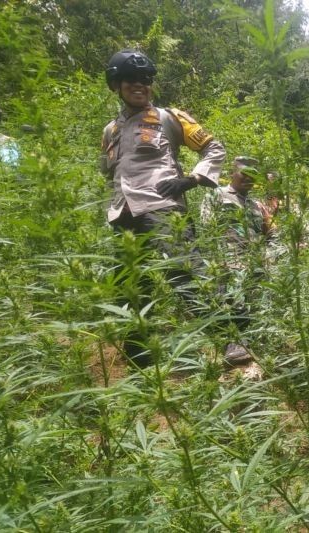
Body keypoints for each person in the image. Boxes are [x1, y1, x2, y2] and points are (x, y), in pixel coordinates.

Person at [99, 49, 247, 367]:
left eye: (145, 80)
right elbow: (110, 171)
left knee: (187, 273)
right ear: (116, 84)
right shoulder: (110, 131)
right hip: (123, 213)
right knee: (131, 282)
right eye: (131, 80)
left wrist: (192, 179)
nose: (139, 85)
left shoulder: (169, 117)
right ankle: (140, 356)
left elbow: (213, 146)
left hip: (162, 207)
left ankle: (230, 338)